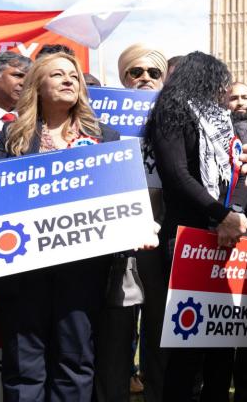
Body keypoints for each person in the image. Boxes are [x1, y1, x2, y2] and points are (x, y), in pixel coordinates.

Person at [0, 52, 120, 401]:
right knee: (23, 366)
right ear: (37, 87)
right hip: (22, 273)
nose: (68, 81)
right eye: (58, 75)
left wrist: (137, 230)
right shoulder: (12, 136)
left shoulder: (106, 137)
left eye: (73, 77)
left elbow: (121, 198)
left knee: (75, 362)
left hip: (82, 273)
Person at [145, 51, 247, 402]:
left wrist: (236, 213)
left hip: (229, 234)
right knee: (190, 343)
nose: (224, 88)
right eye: (219, 80)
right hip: (188, 235)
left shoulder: (224, 121)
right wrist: (220, 214)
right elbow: (177, 175)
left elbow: (245, 170)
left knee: (223, 337)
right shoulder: (171, 112)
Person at [95, 43, 169, 402]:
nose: (144, 78)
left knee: (159, 326)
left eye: (153, 73)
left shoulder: (174, 117)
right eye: (135, 72)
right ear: (122, 77)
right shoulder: (99, 120)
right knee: (116, 327)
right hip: (114, 238)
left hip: (163, 235)